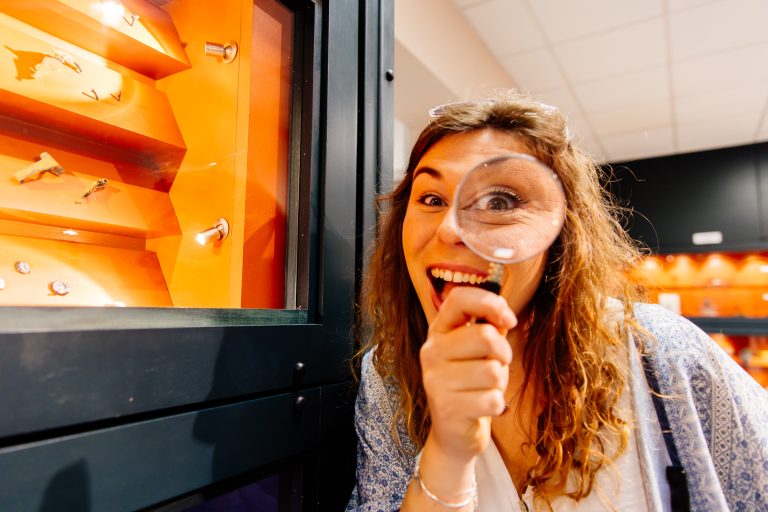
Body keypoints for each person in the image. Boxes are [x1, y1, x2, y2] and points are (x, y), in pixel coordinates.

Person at [345, 90, 768, 511]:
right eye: (432, 199)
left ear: (561, 233)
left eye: (500, 201)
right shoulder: (389, 378)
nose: (451, 230)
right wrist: (448, 451)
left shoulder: (658, 349)